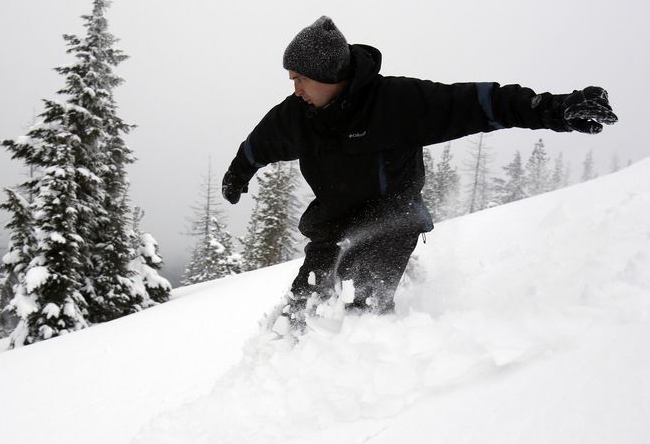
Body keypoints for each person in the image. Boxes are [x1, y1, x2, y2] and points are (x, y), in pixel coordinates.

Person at [221, 16, 617, 331]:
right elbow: (259, 145)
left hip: (392, 216)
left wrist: (554, 108)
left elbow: (481, 104)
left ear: (327, 74)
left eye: (300, 79)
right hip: (332, 226)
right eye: (291, 80)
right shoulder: (296, 116)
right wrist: (237, 176)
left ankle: (373, 390)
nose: (295, 90)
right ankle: (287, 378)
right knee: (302, 309)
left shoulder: (397, 102)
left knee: (361, 310)